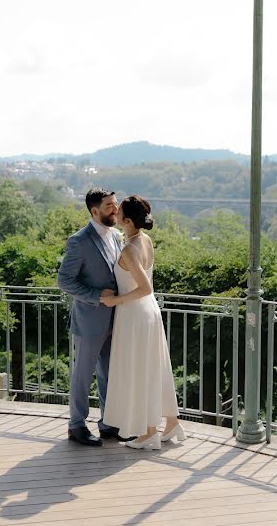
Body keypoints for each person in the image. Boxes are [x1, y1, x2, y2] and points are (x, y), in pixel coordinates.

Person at [101, 195, 183, 450]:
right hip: (150, 312)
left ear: (126, 221)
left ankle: (149, 433)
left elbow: (144, 287)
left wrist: (116, 301)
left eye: (119, 213)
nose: (115, 215)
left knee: (141, 370)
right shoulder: (145, 240)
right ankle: (171, 422)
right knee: (156, 366)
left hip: (135, 314)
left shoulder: (129, 248)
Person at [57, 187, 134, 446]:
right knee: (83, 374)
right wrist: (96, 295)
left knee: (109, 373)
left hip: (115, 318)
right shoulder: (79, 240)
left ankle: (108, 423)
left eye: (115, 204)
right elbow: (64, 281)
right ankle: (76, 425)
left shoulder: (114, 236)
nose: (116, 209)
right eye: (110, 205)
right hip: (89, 320)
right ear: (95, 210)